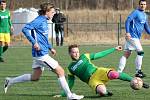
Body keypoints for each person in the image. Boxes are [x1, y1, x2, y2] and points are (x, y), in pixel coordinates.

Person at [4, 3, 84, 100]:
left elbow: (43, 38)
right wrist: (34, 42)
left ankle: (10, 81)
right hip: (41, 54)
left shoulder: (45, 21)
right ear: (46, 12)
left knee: (35, 77)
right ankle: (69, 95)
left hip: (41, 53)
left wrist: (50, 47)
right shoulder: (39, 20)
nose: (54, 14)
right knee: (61, 71)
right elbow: (25, 29)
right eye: (52, 12)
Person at [56, 44, 149, 97]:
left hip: (98, 71)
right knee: (102, 91)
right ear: (69, 53)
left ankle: (133, 80)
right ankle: (106, 93)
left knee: (114, 74)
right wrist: (64, 94)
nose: (76, 53)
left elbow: (99, 54)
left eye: (77, 51)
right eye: (73, 52)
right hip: (91, 80)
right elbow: (70, 83)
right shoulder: (70, 68)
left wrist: (113, 49)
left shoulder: (85, 56)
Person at [117, 0, 150, 78]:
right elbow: (127, 21)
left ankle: (118, 72)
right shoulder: (135, 12)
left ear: (146, 5)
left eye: (144, 4)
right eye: (141, 4)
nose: (143, 5)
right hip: (132, 36)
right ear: (139, 5)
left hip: (135, 38)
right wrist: (127, 32)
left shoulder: (145, 15)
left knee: (126, 54)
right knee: (141, 52)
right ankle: (138, 71)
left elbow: (147, 27)